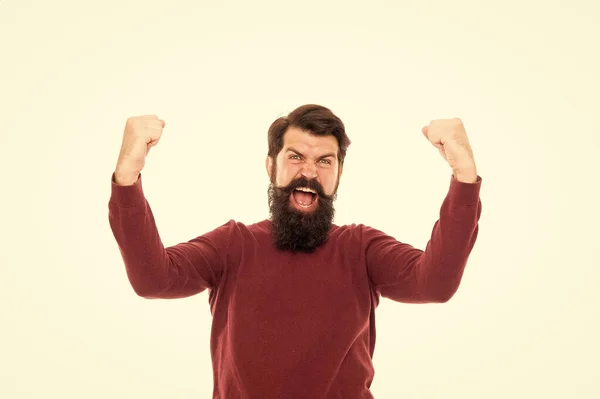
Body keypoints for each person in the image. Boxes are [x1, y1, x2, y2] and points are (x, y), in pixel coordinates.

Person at [108, 104, 482, 398]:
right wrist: (127, 175)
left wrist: (464, 176)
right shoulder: (233, 244)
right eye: (296, 157)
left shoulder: (361, 247)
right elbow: (153, 279)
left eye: (324, 161)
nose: (309, 172)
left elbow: (434, 284)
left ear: (338, 174)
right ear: (271, 166)